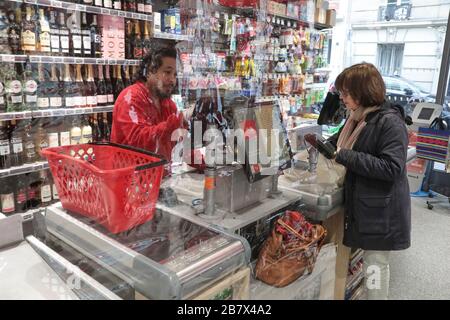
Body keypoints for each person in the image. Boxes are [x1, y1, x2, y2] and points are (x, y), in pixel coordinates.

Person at [324, 63, 411, 300]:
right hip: (369, 206)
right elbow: (335, 144)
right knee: (370, 265)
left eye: (346, 93)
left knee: (375, 267)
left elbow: (391, 168)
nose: (342, 98)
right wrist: (319, 147)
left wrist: (342, 155)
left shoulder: (390, 123)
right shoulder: (357, 119)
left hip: (382, 212)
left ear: (362, 92)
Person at [111, 46, 188, 161]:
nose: (172, 80)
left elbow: (175, 143)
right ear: (149, 72)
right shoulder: (130, 98)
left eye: (175, 75)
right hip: (129, 176)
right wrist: (172, 125)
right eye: (167, 72)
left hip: (160, 175)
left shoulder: (168, 104)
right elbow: (138, 143)